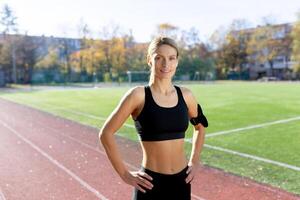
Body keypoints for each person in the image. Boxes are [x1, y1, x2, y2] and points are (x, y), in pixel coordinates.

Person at [99, 36, 208, 200]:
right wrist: (124, 174)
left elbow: (200, 126)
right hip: (150, 184)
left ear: (177, 61)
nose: (166, 64)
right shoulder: (138, 95)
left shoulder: (186, 95)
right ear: (150, 60)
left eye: (171, 58)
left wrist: (194, 161)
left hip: (181, 182)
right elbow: (106, 133)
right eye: (159, 58)